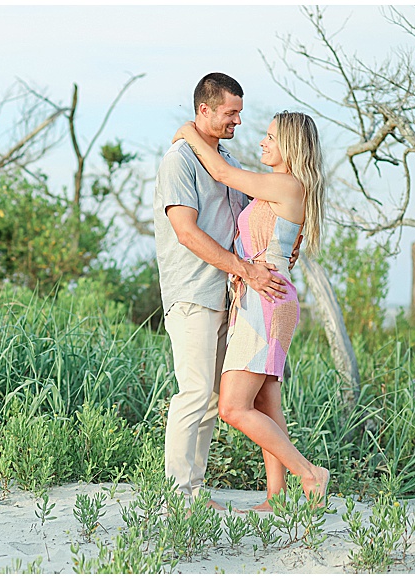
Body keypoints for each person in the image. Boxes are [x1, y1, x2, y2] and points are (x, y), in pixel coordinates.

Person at [172, 110, 329, 507]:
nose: (262, 141)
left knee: (232, 406)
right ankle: (276, 496)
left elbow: (222, 173)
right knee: (265, 402)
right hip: (262, 295)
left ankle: (310, 474)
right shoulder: (275, 189)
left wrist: (190, 133)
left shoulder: (287, 185)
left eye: (271, 137)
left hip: (267, 299)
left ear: (291, 145)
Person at [153, 72, 289, 509]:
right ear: (204, 110)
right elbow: (186, 232)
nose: (237, 121)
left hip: (228, 297)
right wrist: (246, 270)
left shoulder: (221, 156)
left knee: (212, 399)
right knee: (193, 393)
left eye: (240, 114)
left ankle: (193, 492)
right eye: (231, 113)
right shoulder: (180, 160)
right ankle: (179, 497)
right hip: (193, 292)